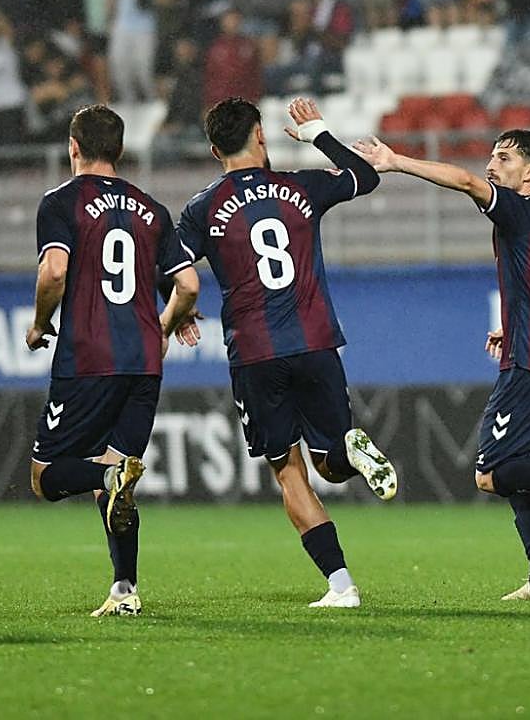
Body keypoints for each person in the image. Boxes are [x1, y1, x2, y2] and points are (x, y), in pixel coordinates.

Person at [169, 97, 397, 608]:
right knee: (333, 463)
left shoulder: (202, 208)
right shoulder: (301, 186)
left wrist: (180, 310)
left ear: (213, 149)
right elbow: (366, 175)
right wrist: (319, 134)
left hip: (255, 353)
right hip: (316, 342)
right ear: (261, 136)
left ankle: (341, 586)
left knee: (288, 470)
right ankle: (349, 448)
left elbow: (175, 269)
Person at [356, 128, 530, 601]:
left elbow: (466, 183)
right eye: (490, 155)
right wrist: (518, 320)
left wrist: (396, 160)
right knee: (522, 472)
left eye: (504, 158)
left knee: (489, 474)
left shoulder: (519, 207)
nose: (491, 164)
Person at [26, 104, 200, 617]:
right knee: (117, 472)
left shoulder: (60, 202)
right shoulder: (152, 209)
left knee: (46, 476)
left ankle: (107, 484)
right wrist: (164, 326)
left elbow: (54, 273)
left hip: (88, 357)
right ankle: (124, 589)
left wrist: (39, 324)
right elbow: (187, 285)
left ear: (73, 147)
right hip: (145, 361)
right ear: (120, 151)